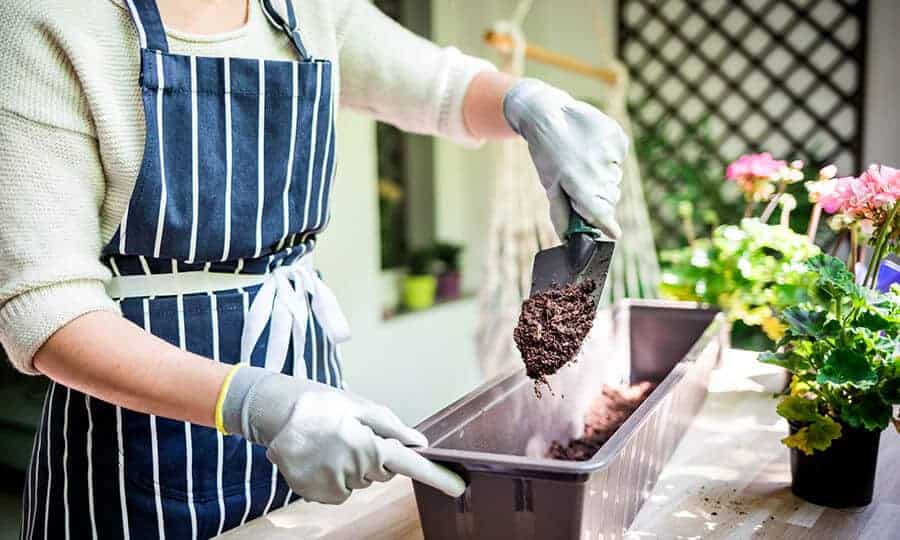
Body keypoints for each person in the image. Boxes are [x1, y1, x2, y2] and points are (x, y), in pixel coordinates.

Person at [0, 0, 627, 538]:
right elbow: (45, 312)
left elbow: (442, 89)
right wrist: (260, 403)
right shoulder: (48, 22)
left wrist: (526, 104)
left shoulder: (308, 9)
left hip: (311, 396)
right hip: (139, 441)